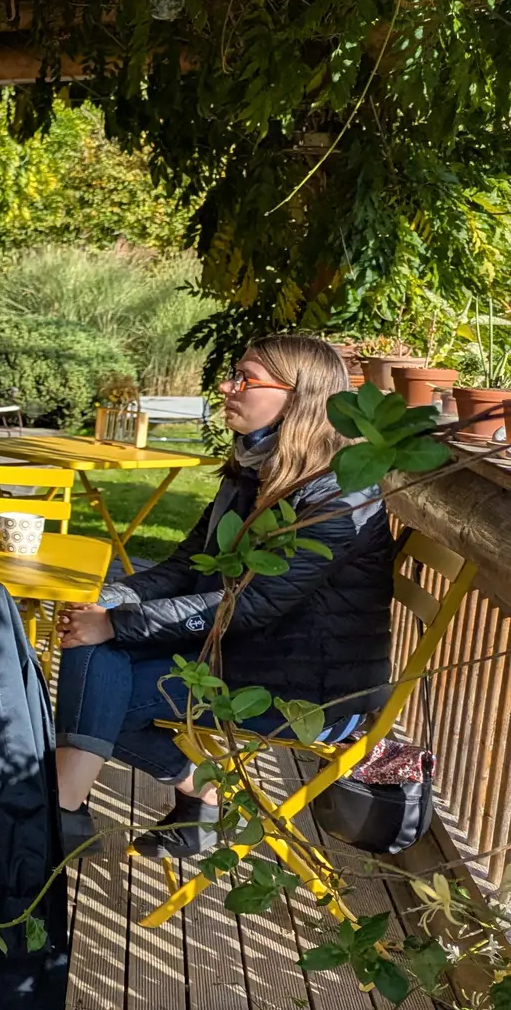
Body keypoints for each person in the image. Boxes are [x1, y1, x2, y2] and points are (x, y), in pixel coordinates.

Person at [52, 334, 395, 858]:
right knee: (94, 654)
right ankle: (95, 807)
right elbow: (186, 565)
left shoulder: (337, 495)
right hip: (239, 654)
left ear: (299, 396)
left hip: (307, 690)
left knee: (100, 683)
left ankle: (63, 811)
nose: (227, 387)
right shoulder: (254, 468)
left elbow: (251, 604)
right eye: (233, 375)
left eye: (245, 379)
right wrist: (109, 601)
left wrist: (116, 623)